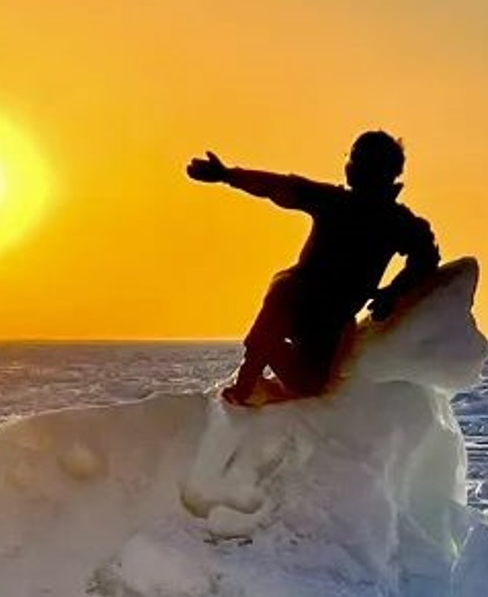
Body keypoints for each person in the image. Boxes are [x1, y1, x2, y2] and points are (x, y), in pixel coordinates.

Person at [187, 130, 440, 405]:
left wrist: (392, 293)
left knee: (309, 384)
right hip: (296, 296)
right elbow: (279, 187)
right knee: (279, 303)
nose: (349, 165)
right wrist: (227, 175)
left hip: (330, 319)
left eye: (356, 160)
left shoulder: (396, 221)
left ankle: (261, 361)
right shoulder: (334, 200)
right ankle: (245, 384)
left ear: (379, 171)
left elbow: (427, 257)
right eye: (350, 158)